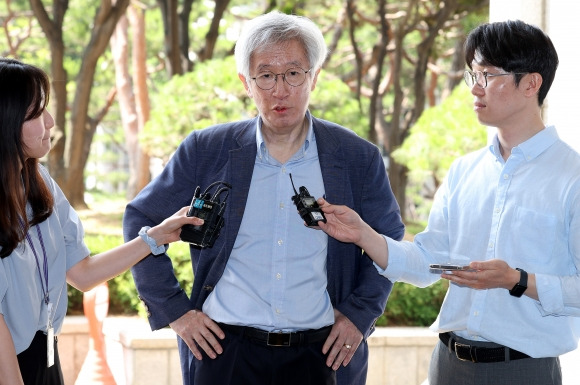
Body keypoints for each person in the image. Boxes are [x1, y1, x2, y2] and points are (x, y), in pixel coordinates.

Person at [123, 10, 404, 385]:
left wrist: (359, 314)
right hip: (224, 351)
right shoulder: (206, 150)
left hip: (322, 354)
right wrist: (175, 310)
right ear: (246, 82)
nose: (280, 90)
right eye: (266, 75)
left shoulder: (355, 157)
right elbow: (141, 219)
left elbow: (389, 240)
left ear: (314, 77)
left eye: (293, 73)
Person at [315, 19, 580, 385]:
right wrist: (363, 234)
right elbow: (429, 263)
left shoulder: (572, 176)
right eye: (473, 74)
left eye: (487, 75)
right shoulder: (463, 171)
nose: (474, 88)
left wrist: (516, 280)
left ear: (530, 83)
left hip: (523, 370)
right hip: (447, 364)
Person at [0, 58, 203, 385]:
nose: (51, 122)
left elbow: (82, 273)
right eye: (37, 113)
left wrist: (155, 237)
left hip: (45, 355)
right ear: (6, 121)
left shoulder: (41, 183)